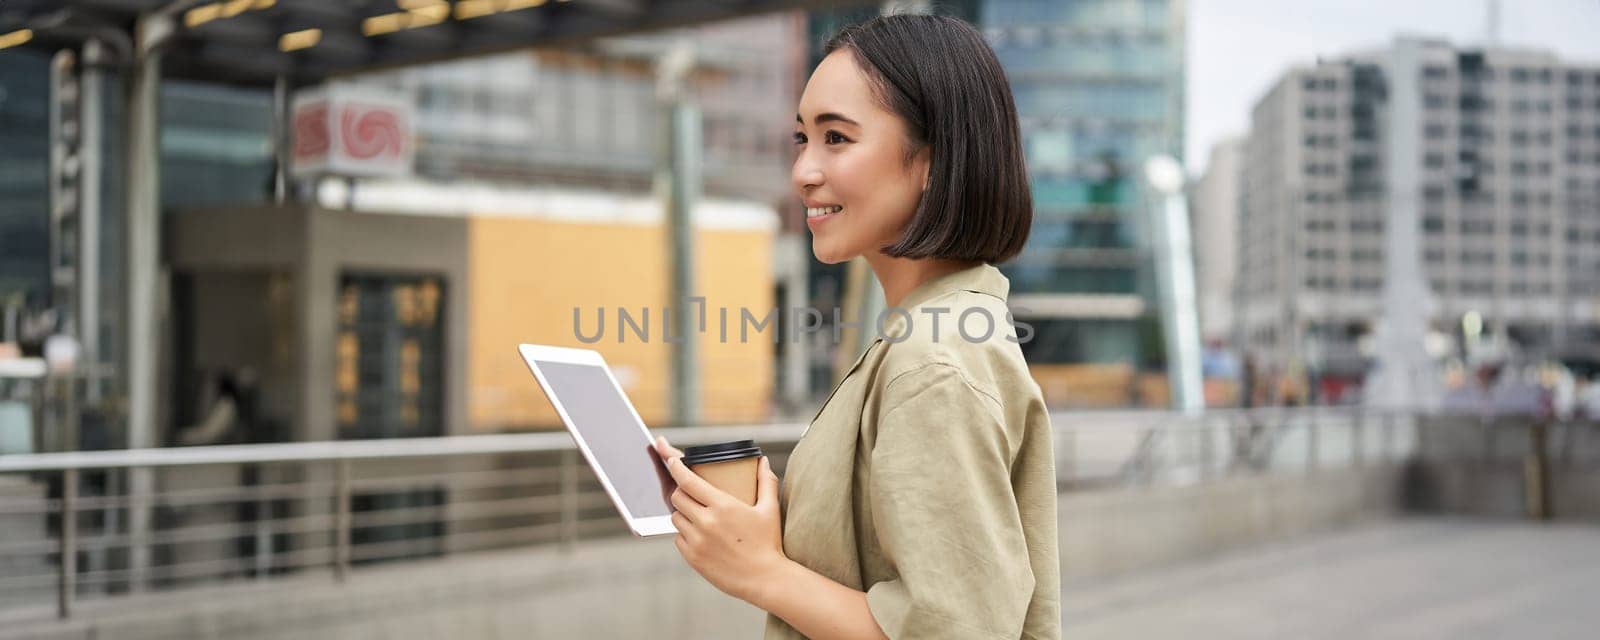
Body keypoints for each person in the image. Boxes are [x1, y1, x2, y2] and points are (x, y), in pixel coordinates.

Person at [653, 14, 1059, 639]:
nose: (804, 171)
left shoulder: (933, 362)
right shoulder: (932, 331)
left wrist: (760, 571)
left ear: (934, 159)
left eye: (836, 138)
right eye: (801, 139)